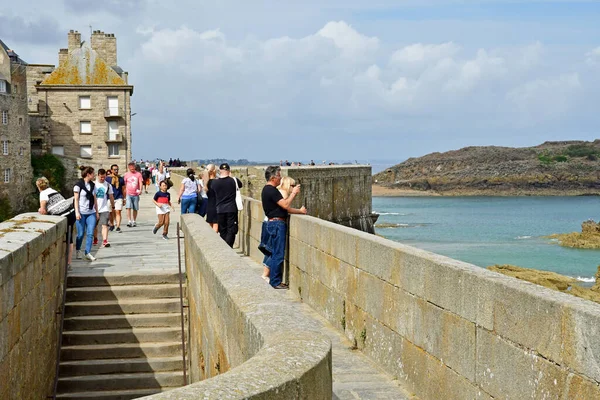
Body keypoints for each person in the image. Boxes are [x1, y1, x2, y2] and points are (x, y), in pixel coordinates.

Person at [260, 166, 306, 289]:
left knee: (275, 252)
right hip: (277, 224)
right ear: (273, 177)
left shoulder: (266, 190)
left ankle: (275, 280)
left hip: (271, 223)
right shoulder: (272, 190)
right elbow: (285, 204)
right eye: (279, 176)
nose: (280, 178)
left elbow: (282, 207)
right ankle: (275, 282)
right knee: (278, 254)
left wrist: (300, 212)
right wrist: (294, 193)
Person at [36, 177, 75, 266]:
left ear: (38, 186)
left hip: (63, 215)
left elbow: (42, 210)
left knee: (68, 238)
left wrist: (40, 210)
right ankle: (69, 262)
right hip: (71, 212)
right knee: (70, 239)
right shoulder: (52, 190)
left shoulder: (43, 194)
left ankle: (67, 263)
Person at [211, 163, 243, 247]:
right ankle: (228, 246)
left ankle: (223, 246)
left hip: (220, 209)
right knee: (231, 229)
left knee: (223, 230)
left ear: (220, 171)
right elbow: (240, 185)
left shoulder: (215, 183)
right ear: (229, 170)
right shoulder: (234, 180)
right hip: (231, 208)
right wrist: (231, 176)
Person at [73, 166, 98, 262]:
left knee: (90, 233)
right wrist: (77, 212)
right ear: (88, 174)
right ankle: (78, 250)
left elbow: (95, 198)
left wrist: (97, 211)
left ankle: (87, 253)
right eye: (93, 173)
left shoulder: (93, 185)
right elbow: (76, 199)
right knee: (80, 234)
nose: (94, 175)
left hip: (91, 212)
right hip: (81, 213)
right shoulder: (78, 185)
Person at [93, 169, 115, 248]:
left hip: (104, 208)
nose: (103, 179)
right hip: (94, 209)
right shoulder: (93, 185)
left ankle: (105, 240)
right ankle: (95, 238)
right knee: (94, 226)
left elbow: (111, 196)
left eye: (104, 177)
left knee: (104, 225)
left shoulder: (108, 185)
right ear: (98, 175)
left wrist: (113, 206)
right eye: (101, 177)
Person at [124, 161, 143, 227]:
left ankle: (134, 220)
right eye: (131, 168)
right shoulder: (126, 174)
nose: (132, 169)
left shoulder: (138, 174)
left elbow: (140, 182)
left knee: (135, 208)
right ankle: (129, 221)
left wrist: (140, 190)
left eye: (133, 167)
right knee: (128, 207)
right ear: (129, 168)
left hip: (136, 193)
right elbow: (125, 184)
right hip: (128, 193)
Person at [108, 164, 125, 232]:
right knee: (111, 212)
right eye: (115, 169)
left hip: (119, 197)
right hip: (109, 197)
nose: (116, 171)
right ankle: (112, 224)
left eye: (117, 169)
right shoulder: (108, 179)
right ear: (111, 170)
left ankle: (118, 226)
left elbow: (123, 189)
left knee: (118, 212)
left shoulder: (121, 179)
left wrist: (124, 198)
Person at [204, 164, 218, 232]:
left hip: (209, 206)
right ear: (214, 171)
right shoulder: (216, 182)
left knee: (210, 226)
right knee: (215, 225)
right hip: (216, 207)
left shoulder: (207, 183)